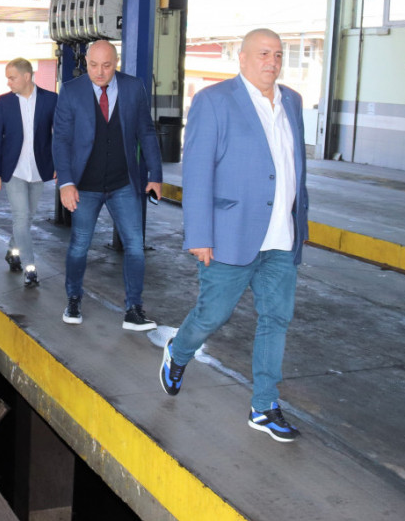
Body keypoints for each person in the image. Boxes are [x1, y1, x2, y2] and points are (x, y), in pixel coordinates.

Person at [159, 28, 309, 443]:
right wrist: (199, 234)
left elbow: (295, 167)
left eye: (278, 55)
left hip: (281, 236)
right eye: (263, 53)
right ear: (241, 58)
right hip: (230, 234)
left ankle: (264, 406)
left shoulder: (292, 102)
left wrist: (300, 222)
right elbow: (197, 170)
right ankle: (178, 351)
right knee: (213, 315)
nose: (272, 62)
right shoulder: (214, 101)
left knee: (276, 318)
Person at [53, 40, 162, 330]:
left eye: (106, 65)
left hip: (123, 183)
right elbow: (61, 139)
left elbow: (146, 132)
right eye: (93, 65)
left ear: (116, 63)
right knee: (79, 246)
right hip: (84, 186)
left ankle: (134, 309)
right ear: (86, 63)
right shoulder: (71, 91)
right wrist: (66, 182)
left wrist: (155, 175)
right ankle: (73, 299)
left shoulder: (133, 87)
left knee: (135, 246)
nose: (99, 72)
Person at [0, 58, 57, 287]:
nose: (8, 82)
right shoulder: (5, 102)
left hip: (39, 168)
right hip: (13, 169)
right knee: (21, 217)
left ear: (26, 77)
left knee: (27, 218)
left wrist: (59, 164)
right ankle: (30, 268)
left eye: (12, 78)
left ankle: (12, 250)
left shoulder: (50, 100)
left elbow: (59, 135)